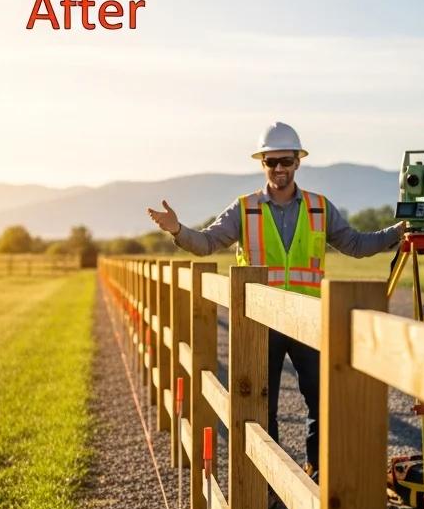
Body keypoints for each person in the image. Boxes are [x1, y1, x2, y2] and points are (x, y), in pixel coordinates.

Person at [147, 122, 405, 479]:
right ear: (263, 164)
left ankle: (317, 473)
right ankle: (266, 482)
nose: (279, 169)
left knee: (321, 401)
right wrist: (177, 230)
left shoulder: (319, 208)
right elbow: (207, 244)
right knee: (260, 405)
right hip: (258, 321)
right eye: (272, 162)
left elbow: (356, 245)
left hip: (309, 320)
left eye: (286, 161)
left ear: (298, 161)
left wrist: (398, 232)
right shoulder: (244, 209)